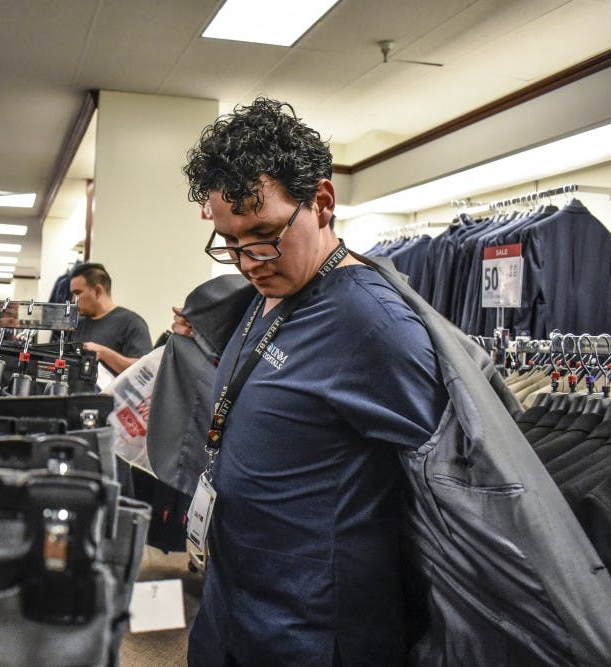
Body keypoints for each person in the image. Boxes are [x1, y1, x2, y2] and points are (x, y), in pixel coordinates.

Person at [176, 98, 449, 666]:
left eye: (264, 233)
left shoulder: (375, 325)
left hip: (312, 629)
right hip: (234, 602)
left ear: (322, 202)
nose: (249, 260)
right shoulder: (272, 287)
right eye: (230, 241)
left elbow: (449, 490)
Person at [69, 262, 152, 376]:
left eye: (77, 293)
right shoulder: (77, 324)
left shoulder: (131, 323)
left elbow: (145, 371)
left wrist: (104, 354)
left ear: (97, 291)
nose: (73, 300)